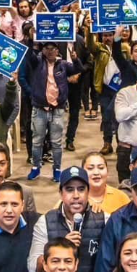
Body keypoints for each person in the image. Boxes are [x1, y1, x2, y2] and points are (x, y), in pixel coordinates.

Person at [21, 41, 83, 182]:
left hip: (57, 109)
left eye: (52, 48)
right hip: (39, 108)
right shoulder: (37, 63)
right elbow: (28, 55)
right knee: (37, 141)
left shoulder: (63, 65)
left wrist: (75, 59)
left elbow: (78, 69)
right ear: (43, 50)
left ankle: (57, 169)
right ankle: (36, 168)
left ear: (57, 50)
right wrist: (31, 39)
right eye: (46, 48)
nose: (49, 51)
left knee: (56, 142)